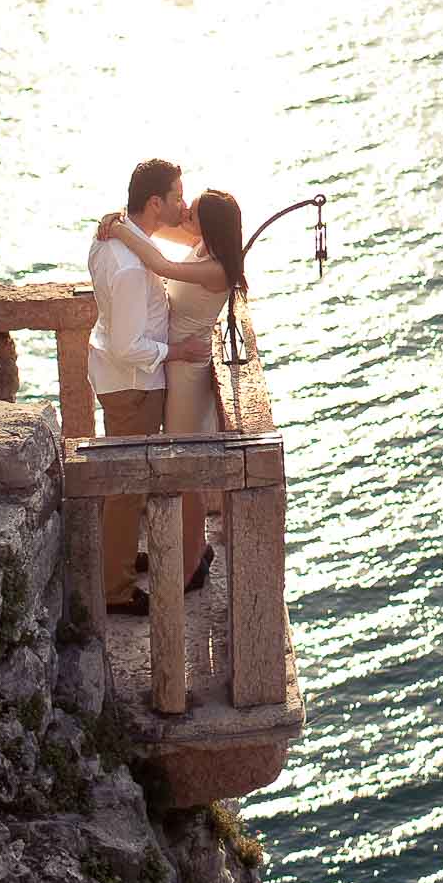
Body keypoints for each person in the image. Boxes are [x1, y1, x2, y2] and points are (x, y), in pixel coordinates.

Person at [100, 187, 248, 590]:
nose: (185, 214)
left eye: (193, 212)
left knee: (185, 475)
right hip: (176, 363)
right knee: (184, 468)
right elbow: (166, 235)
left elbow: (159, 263)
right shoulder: (203, 245)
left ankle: (189, 568)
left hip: (187, 375)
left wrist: (119, 229)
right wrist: (126, 218)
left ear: (209, 226)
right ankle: (197, 552)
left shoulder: (216, 269)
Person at [87, 158, 214, 615]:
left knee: (127, 483)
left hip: (120, 380)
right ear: (155, 201)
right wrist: (175, 354)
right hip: (133, 384)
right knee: (126, 488)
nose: (183, 203)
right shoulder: (131, 267)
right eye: (178, 196)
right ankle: (116, 588)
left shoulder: (119, 239)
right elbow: (128, 346)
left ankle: (118, 559)